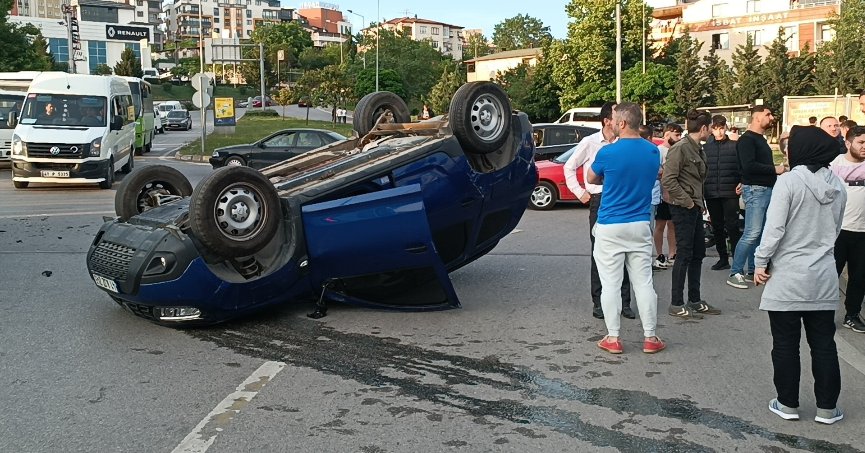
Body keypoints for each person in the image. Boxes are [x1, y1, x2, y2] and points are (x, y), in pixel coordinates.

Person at [754, 125, 845, 425]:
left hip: (788, 277)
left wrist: (760, 261)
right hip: (822, 275)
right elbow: (835, 230)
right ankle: (828, 409)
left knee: (785, 344)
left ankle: (787, 404)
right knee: (823, 344)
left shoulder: (789, 182)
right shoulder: (838, 186)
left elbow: (774, 229)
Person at [587, 102, 664, 354]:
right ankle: (650, 337)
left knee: (610, 284)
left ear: (620, 123)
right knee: (643, 282)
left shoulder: (608, 152)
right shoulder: (653, 151)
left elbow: (591, 178)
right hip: (640, 223)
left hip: (610, 224)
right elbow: (658, 174)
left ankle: (613, 337)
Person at [564, 102, 635, 320]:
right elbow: (569, 166)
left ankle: (625, 303)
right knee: (599, 253)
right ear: (607, 121)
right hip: (599, 199)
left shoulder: (626, 142)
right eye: (617, 117)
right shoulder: (590, 142)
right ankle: (599, 302)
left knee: (624, 252)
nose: (621, 121)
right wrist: (580, 192)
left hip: (622, 199)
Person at [662, 110, 721, 319]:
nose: (712, 131)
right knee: (684, 254)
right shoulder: (681, 148)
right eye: (711, 127)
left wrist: (699, 203)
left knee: (698, 253)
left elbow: (697, 180)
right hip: (683, 207)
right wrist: (687, 201)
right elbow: (668, 180)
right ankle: (676, 303)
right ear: (704, 128)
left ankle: (694, 300)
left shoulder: (697, 148)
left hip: (695, 206)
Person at [727, 106, 784, 289]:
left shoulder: (759, 139)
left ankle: (754, 269)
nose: (771, 117)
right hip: (756, 190)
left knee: (759, 233)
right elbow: (748, 165)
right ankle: (735, 272)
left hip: (764, 189)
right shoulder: (747, 140)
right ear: (757, 117)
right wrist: (774, 169)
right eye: (768, 114)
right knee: (752, 233)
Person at [831, 126, 865, 333]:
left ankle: (852, 315)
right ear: (848, 143)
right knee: (829, 276)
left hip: (863, 233)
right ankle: (822, 314)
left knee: (859, 277)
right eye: (861, 143)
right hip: (838, 231)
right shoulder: (834, 166)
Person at [703, 115, 741, 271]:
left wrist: (742, 181)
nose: (718, 131)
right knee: (717, 227)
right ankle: (723, 258)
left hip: (730, 191)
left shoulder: (735, 146)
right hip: (711, 191)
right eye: (715, 128)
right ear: (711, 129)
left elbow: (742, 166)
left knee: (732, 226)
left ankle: (737, 260)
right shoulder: (705, 148)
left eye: (721, 128)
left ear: (726, 127)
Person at [654, 123, 683, 269]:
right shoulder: (658, 151)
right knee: (660, 224)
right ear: (666, 135)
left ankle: (673, 253)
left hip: (675, 194)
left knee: (673, 224)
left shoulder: (679, 150)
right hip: (660, 194)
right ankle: (659, 254)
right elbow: (657, 172)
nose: (678, 138)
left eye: (679, 135)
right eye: (676, 135)